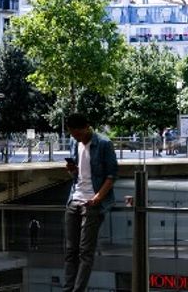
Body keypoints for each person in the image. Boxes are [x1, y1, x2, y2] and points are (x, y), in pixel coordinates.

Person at [62, 112, 117, 292]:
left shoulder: (104, 144)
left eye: (78, 134)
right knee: (71, 251)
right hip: (74, 199)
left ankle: (78, 290)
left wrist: (97, 198)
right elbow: (77, 175)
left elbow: (111, 176)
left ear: (87, 127)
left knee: (85, 252)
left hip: (93, 202)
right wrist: (71, 170)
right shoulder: (73, 142)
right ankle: (67, 289)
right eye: (72, 134)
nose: (75, 138)